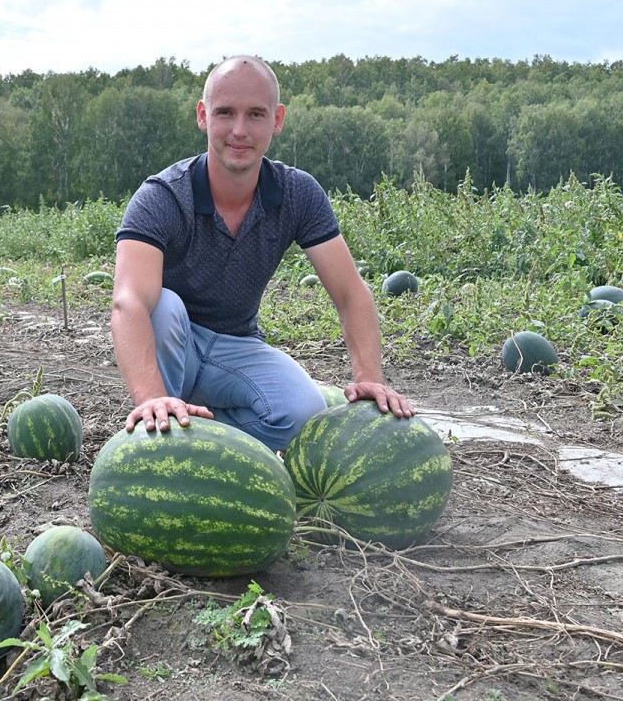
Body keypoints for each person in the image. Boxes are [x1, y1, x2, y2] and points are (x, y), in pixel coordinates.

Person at [111, 55, 414, 452]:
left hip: (237, 346)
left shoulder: (296, 193)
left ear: (277, 119)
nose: (239, 130)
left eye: (256, 114)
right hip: (174, 344)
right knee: (163, 305)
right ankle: (158, 423)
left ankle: (197, 438)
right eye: (225, 113)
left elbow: (350, 293)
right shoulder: (163, 197)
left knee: (303, 412)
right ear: (203, 115)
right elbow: (128, 302)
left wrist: (369, 376)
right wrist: (150, 394)